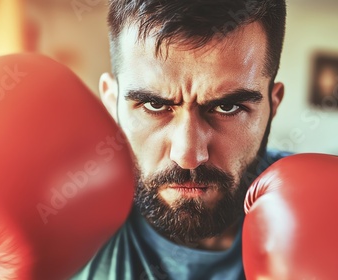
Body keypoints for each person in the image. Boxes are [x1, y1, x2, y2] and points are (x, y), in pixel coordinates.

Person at [72, 0, 289, 279]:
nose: (188, 155)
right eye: (154, 106)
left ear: (273, 105)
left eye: (227, 107)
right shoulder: (63, 217)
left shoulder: (329, 217)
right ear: (111, 101)